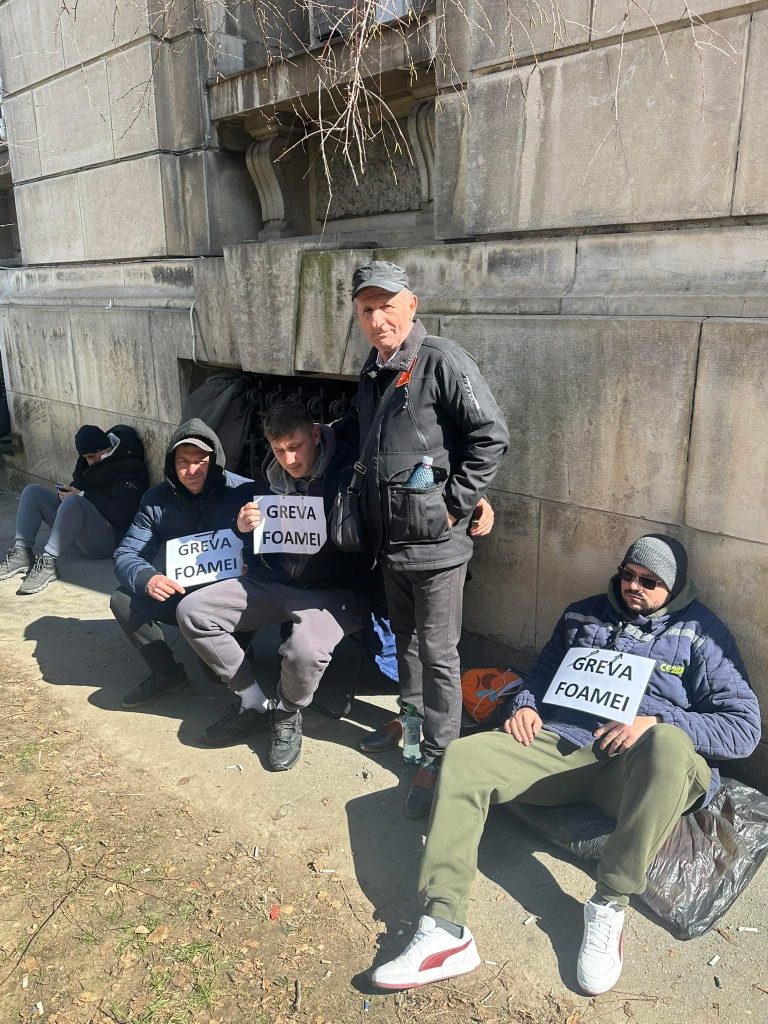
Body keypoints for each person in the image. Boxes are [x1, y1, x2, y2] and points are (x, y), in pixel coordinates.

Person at [370, 535, 761, 995]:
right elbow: (541, 674)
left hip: (639, 770)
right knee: (463, 757)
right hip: (564, 747)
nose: (633, 586)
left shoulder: (702, 634)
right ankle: (444, 926)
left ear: (673, 589)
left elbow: (744, 729)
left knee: (670, 745)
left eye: (649, 582)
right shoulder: (583, 613)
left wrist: (655, 720)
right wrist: (526, 704)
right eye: (628, 575)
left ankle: (610, 904)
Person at [340, 260, 509, 818]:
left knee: (438, 654)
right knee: (405, 644)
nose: (377, 317)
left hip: (436, 548)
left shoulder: (441, 359)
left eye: (387, 305)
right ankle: (412, 731)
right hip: (392, 544)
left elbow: (489, 435)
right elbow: (370, 437)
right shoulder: (373, 368)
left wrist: (453, 506)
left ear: (411, 305)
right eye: (367, 309)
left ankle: (440, 756)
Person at [176, 399, 373, 769]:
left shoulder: (352, 472)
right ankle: (251, 701)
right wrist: (243, 528)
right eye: (279, 450)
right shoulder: (268, 479)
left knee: (304, 652)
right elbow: (258, 546)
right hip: (276, 582)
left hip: (334, 591)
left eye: (296, 446)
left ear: (315, 434)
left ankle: (286, 712)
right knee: (193, 611)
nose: (290, 459)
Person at [111, 419, 255, 709]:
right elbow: (127, 553)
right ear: (171, 463)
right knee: (123, 599)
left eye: (200, 460)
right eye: (183, 462)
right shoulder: (155, 500)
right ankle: (168, 674)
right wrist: (147, 577)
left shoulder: (243, 491)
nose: (192, 470)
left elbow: (274, 545)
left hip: (232, 595)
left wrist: (253, 557)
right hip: (182, 591)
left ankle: (234, 652)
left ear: (214, 460)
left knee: (218, 674)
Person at [0, 423, 148, 595]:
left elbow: (122, 512)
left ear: (106, 449)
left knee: (74, 502)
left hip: (107, 539)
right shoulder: (86, 461)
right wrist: (68, 491)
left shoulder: (130, 465)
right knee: (32, 491)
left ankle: (48, 562)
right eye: (86, 457)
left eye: (93, 456)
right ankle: (22, 552)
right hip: (78, 530)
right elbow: (79, 484)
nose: (89, 462)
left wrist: (82, 495)